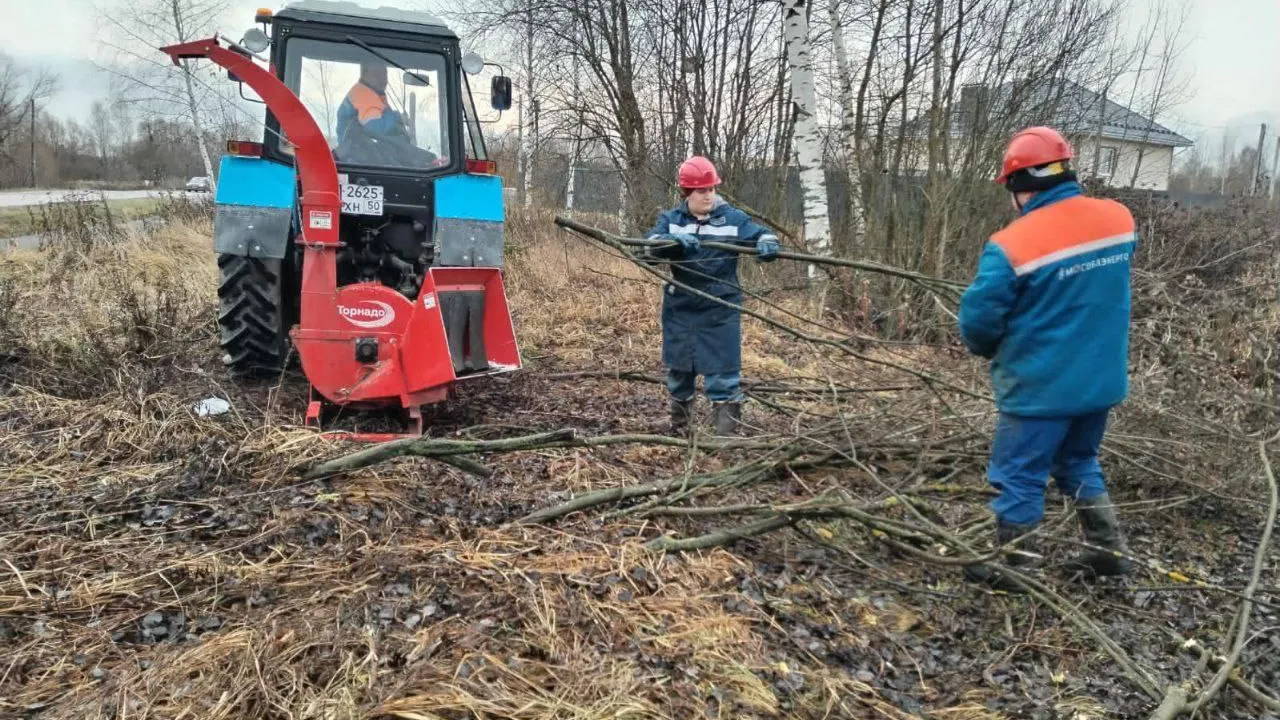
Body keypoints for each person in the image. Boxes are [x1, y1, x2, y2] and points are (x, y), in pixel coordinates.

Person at [958, 126, 1137, 591]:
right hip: (1100, 380)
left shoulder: (1012, 244)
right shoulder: (1119, 219)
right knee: (1079, 460)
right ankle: (1108, 549)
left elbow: (979, 321)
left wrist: (987, 347)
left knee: (1017, 472)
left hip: (1040, 385)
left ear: (1018, 186)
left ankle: (1016, 567)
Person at [644, 156, 780, 436]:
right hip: (681, 307)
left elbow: (759, 235)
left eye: (711, 189)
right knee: (680, 370)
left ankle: (725, 434)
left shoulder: (734, 219)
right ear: (687, 193)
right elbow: (648, 249)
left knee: (723, 371)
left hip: (720, 307)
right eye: (701, 190)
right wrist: (668, 244)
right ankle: (680, 427)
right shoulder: (671, 221)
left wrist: (767, 241)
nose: (708, 196)